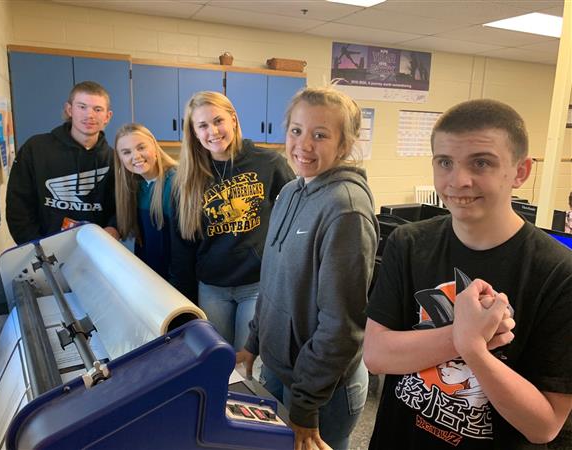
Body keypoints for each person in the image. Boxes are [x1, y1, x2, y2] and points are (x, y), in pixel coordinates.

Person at [364, 99, 572, 449]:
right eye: (445, 162)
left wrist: (474, 351)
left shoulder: (558, 274)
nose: (458, 180)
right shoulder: (409, 243)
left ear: (520, 172)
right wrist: (463, 336)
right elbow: (376, 354)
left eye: (481, 162)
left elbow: (544, 425)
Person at [237, 87, 379, 450]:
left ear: (344, 145)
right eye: (296, 130)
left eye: (320, 135)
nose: (303, 144)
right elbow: (273, 282)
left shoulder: (345, 208)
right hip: (282, 368)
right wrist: (253, 342)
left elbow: (341, 325)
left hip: (323, 391)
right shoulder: (290, 192)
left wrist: (305, 403)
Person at [173, 91, 294, 349]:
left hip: (257, 283)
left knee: (248, 364)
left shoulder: (269, 162)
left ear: (234, 120)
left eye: (218, 121)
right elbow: (185, 242)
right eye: (203, 126)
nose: (213, 131)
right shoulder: (189, 175)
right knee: (217, 359)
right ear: (194, 133)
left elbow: (294, 214)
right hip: (212, 287)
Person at [6, 80, 118, 244]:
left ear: (107, 116)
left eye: (98, 109)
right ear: (69, 109)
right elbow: (18, 205)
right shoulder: (36, 148)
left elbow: (121, 208)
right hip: (42, 250)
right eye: (82, 106)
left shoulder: (115, 160)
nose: (90, 115)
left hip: (95, 253)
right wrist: (35, 247)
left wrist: (114, 227)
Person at [113, 123, 197, 301]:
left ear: (155, 147)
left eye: (141, 147)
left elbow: (184, 251)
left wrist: (175, 291)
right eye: (126, 152)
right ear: (119, 158)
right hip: (151, 282)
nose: (135, 156)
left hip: (178, 288)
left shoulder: (176, 183)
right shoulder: (136, 186)